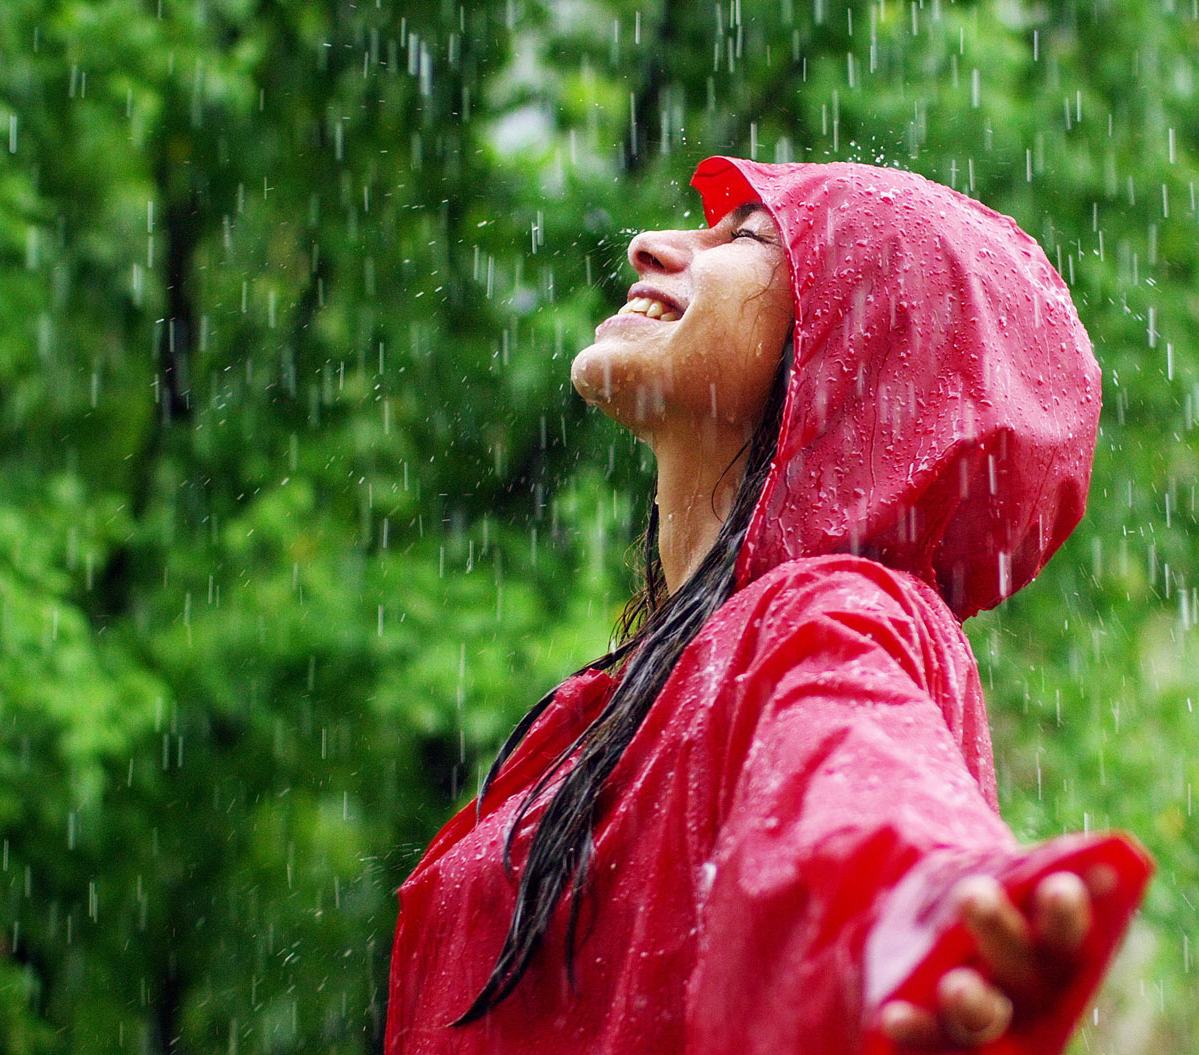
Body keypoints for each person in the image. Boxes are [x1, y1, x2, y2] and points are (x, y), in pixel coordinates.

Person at [384, 157, 1152, 1055]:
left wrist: (926, 924)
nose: (649, 245)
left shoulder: (823, 617)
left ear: (857, 347)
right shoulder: (597, 716)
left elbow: (856, 781)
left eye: (745, 236)